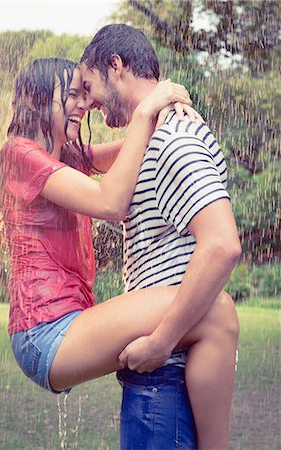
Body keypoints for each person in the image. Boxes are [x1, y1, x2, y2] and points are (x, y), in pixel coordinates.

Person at [0, 57, 202, 444]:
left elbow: (130, 150)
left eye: (83, 96)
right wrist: (145, 110)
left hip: (65, 324)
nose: (81, 105)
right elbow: (111, 203)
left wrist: (166, 111)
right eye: (71, 95)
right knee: (208, 308)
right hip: (44, 332)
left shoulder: (70, 156)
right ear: (39, 99)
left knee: (206, 312)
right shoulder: (18, 155)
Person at [80, 24, 241, 450]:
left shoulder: (173, 138)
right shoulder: (152, 134)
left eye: (90, 86)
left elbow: (222, 244)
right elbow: (85, 161)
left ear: (116, 67)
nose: (91, 103)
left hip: (167, 373)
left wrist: (160, 341)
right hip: (165, 373)